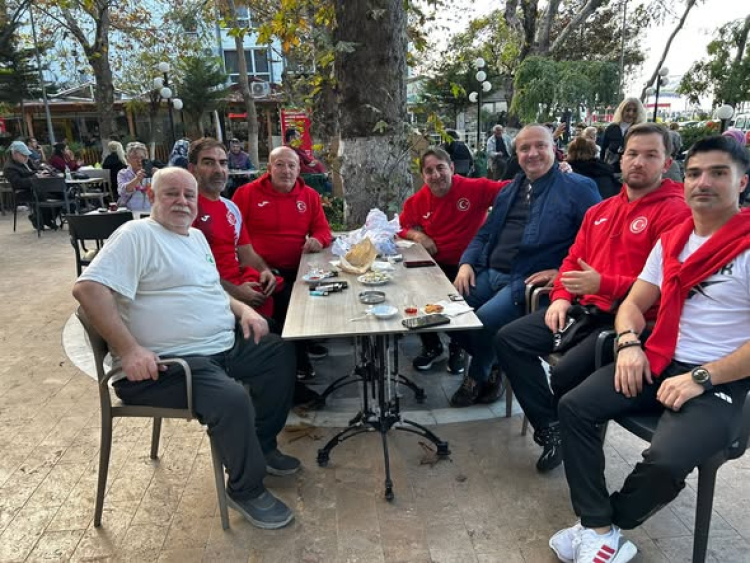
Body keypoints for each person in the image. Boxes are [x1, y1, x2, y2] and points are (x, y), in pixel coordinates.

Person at [549, 135, 750, 563]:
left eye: (718, 173)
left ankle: (605, 524)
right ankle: (599, 529)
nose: (703, 182)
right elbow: (633, 305)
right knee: (574, 406)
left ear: (742, 182)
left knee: (665, 462)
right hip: (658, 359)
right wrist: (628, 344)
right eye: (694, 173)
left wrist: (702, 377)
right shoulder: (673, 241)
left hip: (719, 379)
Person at [72, 167, 300, 529]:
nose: (182, 201)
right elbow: (88, 288)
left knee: (279, 352)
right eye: (171, 194)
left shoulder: (194, 237)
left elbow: (211, 289)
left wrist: (243, 311)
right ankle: (246, 488)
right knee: (231, 399)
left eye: (189, 195)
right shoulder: (136, 235)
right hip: (164, 367)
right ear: (151, 197)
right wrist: (129, 350)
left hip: (218, 350)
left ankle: (260, 447)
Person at [495, 123, 691, 473]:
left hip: (628, 320)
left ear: (667, 163)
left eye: (650, 155)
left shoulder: (676, 213)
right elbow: (573, 259)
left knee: (563, 375)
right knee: (509, 339)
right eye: (632, 153)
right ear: (620, 158)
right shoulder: (601, 210)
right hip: (583, 309)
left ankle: (569, 430)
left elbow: (665, 287)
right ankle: (551, 428)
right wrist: (560, 297)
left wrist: (603, 283)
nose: (638, 162)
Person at [447, 124, 601, 407]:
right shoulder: (509, 190)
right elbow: (483, 234)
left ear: (554, 149)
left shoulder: (578, 188)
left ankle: (478, 374)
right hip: (488, 272)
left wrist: (563, 272)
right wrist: (467, 263)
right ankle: (496, 362)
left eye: (540, 146)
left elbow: (599, 241)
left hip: (526, 281)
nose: (533, 153)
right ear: (516, 155)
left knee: (484, 319)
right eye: (524, 148)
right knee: (444, 314)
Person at [398, 147, 510, 375]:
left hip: (472, 266)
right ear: (423, 176)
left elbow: (513, 189)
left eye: (440, 168)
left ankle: (459, 348)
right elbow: (399, 227)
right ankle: (432, 346)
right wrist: (418, 235)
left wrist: (559, 171)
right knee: (414, 294)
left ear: (451, 168)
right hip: (436, 265)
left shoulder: (475, 188)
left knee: (459, 304)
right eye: (429, 171)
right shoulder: (416, 201)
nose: (436, 175)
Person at [232, 146, 333, 379]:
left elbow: (323, 229)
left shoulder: (309, 195)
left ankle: (305, 343)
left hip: (300, 269)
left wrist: (317, 239)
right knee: (289, 302)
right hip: (259, 271)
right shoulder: (246, 194)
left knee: (328, 291)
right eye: (279, 164)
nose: (286, 170)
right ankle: (298, 364)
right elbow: (233, 235)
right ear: (269, 168)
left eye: (291, 165)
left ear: (299, 170)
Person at [3, 140, 57, 230]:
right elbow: (18, 183)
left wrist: (41, 172)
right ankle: (42, 218)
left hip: (36, 187)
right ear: (15, 153)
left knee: (60, 193)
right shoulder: (9, 168)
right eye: (24, 155)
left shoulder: (26, 161)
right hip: (23, 192)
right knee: (45, 195)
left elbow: (33, 170)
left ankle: (43, 218)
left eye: (27, 155)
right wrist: (36, 177)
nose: (26, 157)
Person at [601, 98, 647, 172]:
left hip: (632, 172)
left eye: (634, 111)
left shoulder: (641, 131)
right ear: (622, 111)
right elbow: (603, 151)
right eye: (628, 110)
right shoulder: (611, 128)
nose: (630, 113)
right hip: (610, 172)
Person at [117, 142, 153, 213]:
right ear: (128, 159)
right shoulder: (123, 173)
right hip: (130, 211)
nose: (139, 160)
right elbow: (122, 192)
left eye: (142, 157)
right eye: (134, 158)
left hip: (150, 211)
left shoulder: (151, 172)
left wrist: (160, 176)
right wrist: (137, 179)